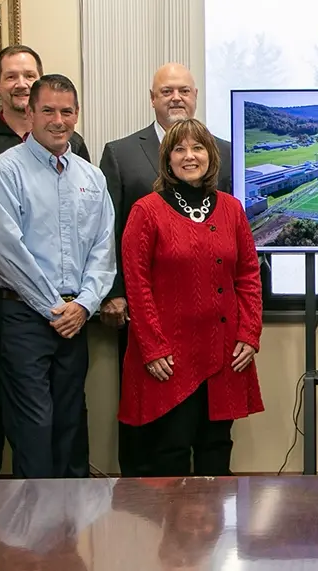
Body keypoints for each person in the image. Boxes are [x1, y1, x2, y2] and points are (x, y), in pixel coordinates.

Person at [0, 74, 115, 479]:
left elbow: (104, 250)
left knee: (71, 425)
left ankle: (70, 536)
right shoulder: (4, 173)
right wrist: (55, 308)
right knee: (34, 427)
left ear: (77, 114)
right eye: (49, 111)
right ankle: (35, 538)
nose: (59, 120)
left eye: (67, 111)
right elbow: (7, 252)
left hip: (76, 319)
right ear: (30, 112)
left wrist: (85, 304)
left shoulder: (92, 178)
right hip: (24, 318)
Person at [98, 63, 232, 471]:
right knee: (156, 431)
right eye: (166, 91)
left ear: (195, 96)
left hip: (212, 321)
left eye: (184, 90)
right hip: (148, 316)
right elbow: (107, 230)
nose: (177, 98)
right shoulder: (119, 153)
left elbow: (237, 237)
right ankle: (151, 515)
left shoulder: (224, 151)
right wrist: (115, 292)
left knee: (211, 433)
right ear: (152, 97)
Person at [118, 118, 262, 477]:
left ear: (211, 157)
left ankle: (218, 535)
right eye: (179, 149)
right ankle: (178, 536)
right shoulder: (146, 211)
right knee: (171, 450)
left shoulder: (232, 209)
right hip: (169, 357)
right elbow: (136, 284)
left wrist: (249, 334)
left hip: (225, 351)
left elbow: (248, 276)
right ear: (167, 159)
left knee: (217, 448)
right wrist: (152, 348)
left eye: (197, 148)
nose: (189, 156)